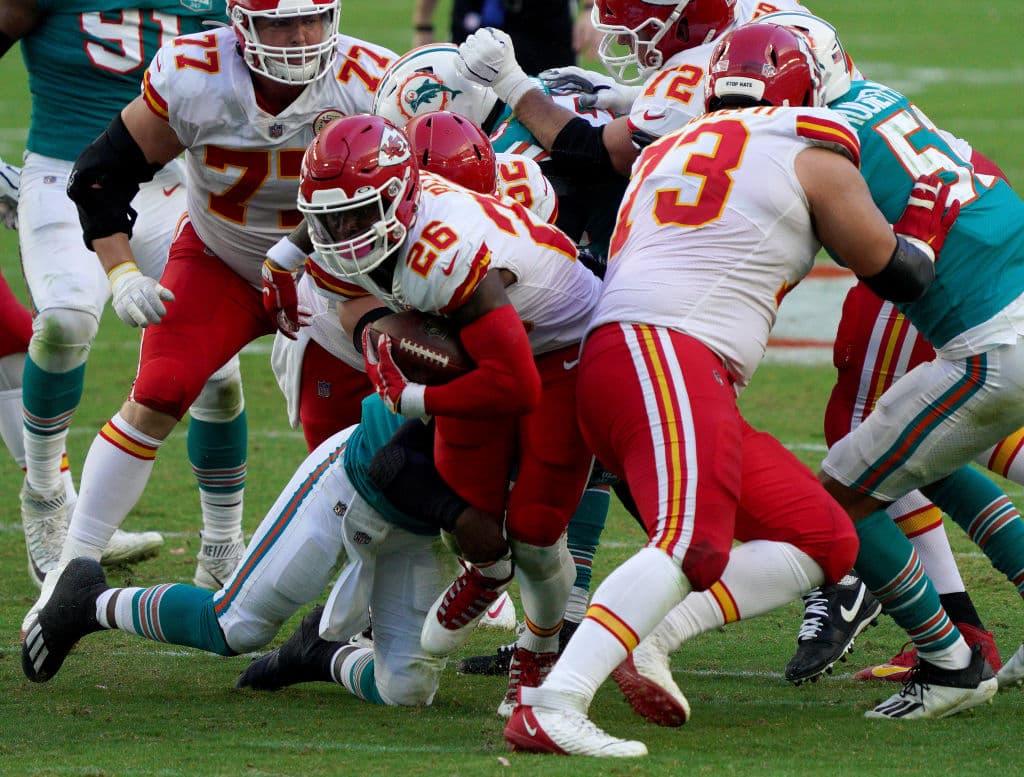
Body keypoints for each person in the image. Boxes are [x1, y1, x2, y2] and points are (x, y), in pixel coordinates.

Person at [501, 23, 969, 758]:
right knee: (689, 537)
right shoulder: (808, 142)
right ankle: (553, 701)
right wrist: (924, 223)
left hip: (638, 359)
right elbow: (894, 271)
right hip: (667, 352)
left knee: (824, 535)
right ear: (803, 85)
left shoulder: (668, 146)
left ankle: (651, 631)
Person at [21, 0, 397, 634]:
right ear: (240, 22)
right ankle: (69, 569)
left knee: (364, 427)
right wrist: (122, 272)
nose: (300, 37)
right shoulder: (195, 71)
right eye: (280, 22)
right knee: (161, 389)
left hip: (336, 276)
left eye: (312, 19)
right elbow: (99, 174)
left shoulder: (371, 78)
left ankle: (424, 583)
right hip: (221, 259)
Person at [292, 112, 601, 717]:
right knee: (471, 505)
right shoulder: (378, 214)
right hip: (481, 337)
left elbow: (517, 388)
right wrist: (281, 259)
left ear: (403, 197)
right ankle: (487, 571)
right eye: (331, 220)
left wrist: (413, 398)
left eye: (360, 215)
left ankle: (536, 654)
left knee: (537, 533)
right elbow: (330, 216)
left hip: (563, 349)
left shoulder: (443, 255)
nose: (345, 234)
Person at [0, 0, 261, 592]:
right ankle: (45, 497)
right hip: (62, 172)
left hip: (172, 183)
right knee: (65, 319)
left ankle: (222, 542)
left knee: (215, 369)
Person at [22, 393, 499, 708]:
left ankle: (317, 655)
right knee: (233, 625)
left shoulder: (556, 394)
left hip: (420, 532)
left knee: (409, 691)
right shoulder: (495, 350)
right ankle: (87, 601)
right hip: (352, 486)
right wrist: (463, 520)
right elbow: (390, 463)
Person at [410, 0, 591, 74]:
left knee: (554, 96)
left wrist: (590, 7)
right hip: (478, 11)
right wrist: (423, 24)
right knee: (464, 94)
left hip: (542, 18)